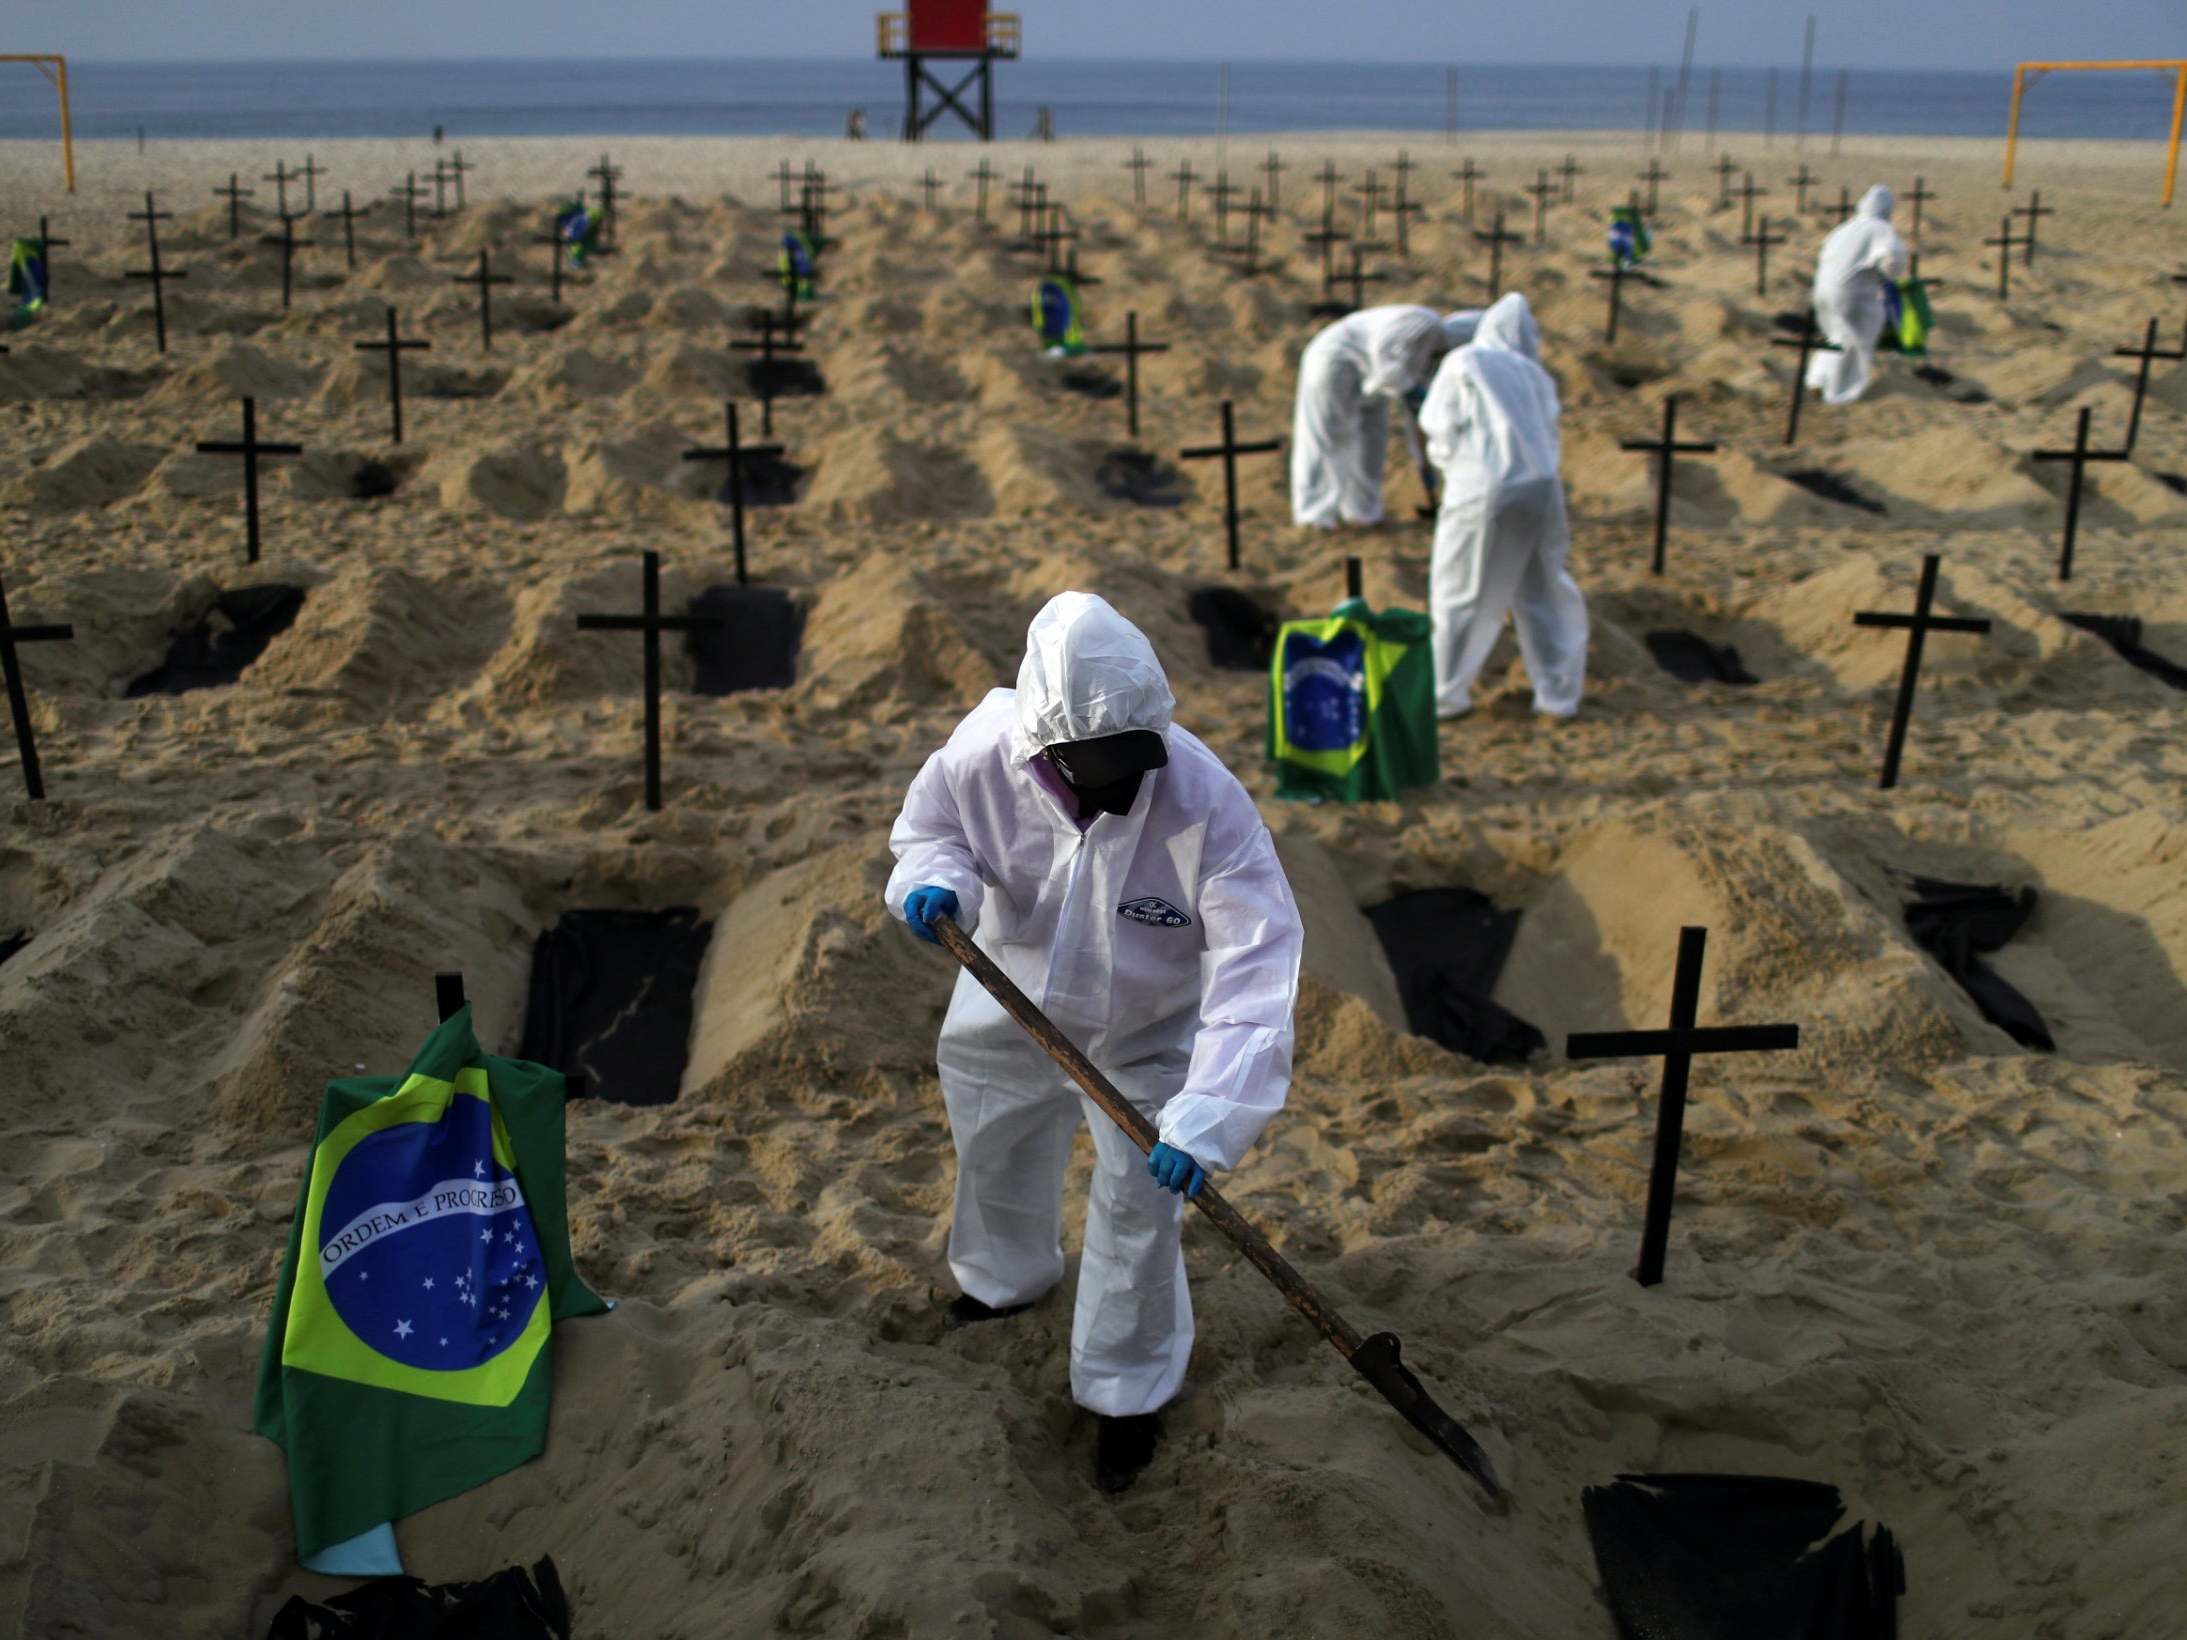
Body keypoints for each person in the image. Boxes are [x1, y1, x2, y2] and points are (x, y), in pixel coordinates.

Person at [885, 592, 1304, 1494]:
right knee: (995, 1139)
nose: (1127, 780)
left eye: (1137, 756)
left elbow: (1254, 976)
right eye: (1099, 764)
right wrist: (935, 883)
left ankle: (1123, 1390)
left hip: (1147, 1030)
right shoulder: (981, 756)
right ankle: (1003, 1279)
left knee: (1135, 1207)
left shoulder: (1207, 807)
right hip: (1009, 993)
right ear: (1047, 752)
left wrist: (1207, 1115)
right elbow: (932, 834)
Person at [1418, 291, 1588, 720]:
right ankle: (1558, 695)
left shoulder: (1467, 361)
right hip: (1543, 490)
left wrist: (1454, 471)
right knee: (1543, 589)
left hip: (1484, 487)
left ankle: (1445, 694)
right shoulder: (1536, 375)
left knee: (1460, 590)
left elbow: (1438, 426)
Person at [1291, 305, 1481, 528]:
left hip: (1372, 379)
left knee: (1372, 441)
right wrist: (1411, 390)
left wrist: (1424, 463)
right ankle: (1314, 516)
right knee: (1330, 436)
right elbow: (1386, 363)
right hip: (1336, 360)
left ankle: (1363, 513)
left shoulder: (1433, 360)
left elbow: (1418, 418)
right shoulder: (1421, 324)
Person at [1804, 184, 1910, 406]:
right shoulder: (1880, 229)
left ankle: (1818, 379)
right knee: (1855, 339)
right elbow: (1893, 259)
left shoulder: (1843, 228)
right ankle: (1837, 391)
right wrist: (1885, 276)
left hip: (1822, 292)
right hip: (1851, 295)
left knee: (1836, 335)